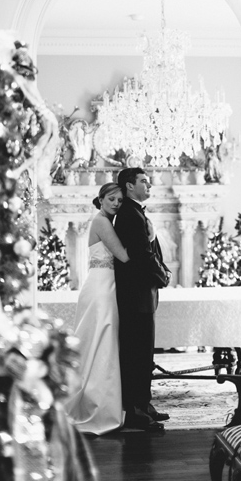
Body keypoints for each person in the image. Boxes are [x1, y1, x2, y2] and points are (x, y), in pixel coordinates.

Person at [66, 182, 130, 434]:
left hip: (105, 286)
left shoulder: (107, 221)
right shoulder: (102, 222)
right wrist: (149, 236)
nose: (116, 203)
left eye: (120, 200)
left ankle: (101, 403)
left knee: (100, 344)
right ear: (101, 199)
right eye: (111, 199)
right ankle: (95, 408)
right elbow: (123, 256)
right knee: (100, 344)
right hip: (102, 289)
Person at [114, 167, 171, 431]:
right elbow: (141, 255)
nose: (149, 186)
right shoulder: (129, 214)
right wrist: (163, 276)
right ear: (129, 185)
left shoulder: (135, 211)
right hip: (136, 295)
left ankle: (144, 404)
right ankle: (135, 411)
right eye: (143, 182)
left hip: (140, 295)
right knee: (136, 354)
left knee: (144, 353)